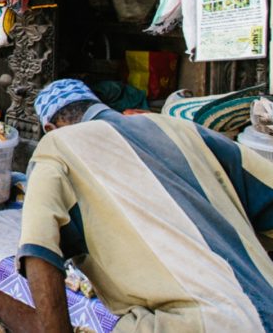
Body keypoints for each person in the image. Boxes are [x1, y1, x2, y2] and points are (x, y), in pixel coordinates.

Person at [20, 79, 273, 333]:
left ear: (51, 127)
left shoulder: (57, 145)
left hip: (193, 325)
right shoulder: (181, 128)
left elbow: (38, 250)